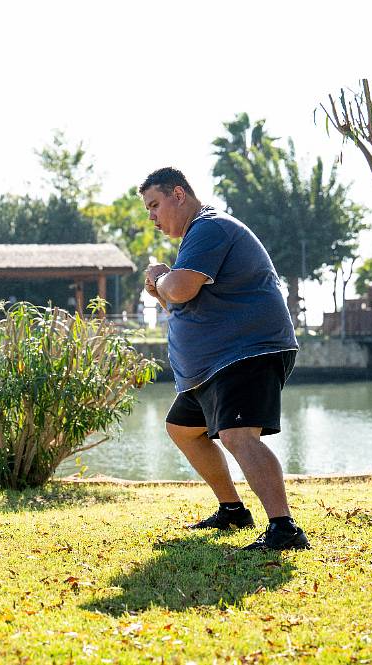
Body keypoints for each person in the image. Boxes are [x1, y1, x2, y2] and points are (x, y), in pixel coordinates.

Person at [139, 167, 308, 551]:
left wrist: (163, 276)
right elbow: (185, 302)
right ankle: (232, 510)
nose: (151, 216)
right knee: (183, 429)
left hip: (247, 353)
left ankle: (284, 529)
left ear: (178, 194)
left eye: (154, 204)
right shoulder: (197, 238)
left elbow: (180, 289)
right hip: (214, 367)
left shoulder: (209, 227)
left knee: (237, 436)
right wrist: (162, 289)